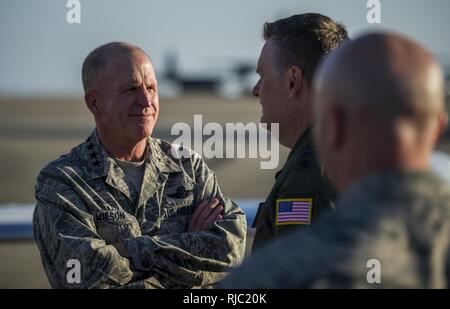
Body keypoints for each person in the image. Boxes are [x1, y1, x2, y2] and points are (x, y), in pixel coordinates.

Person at [220, 32, 450, 288]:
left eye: (262, 76)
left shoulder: (275, 275)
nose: (256, 89)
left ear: (334, 127)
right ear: (438, 128)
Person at [33, 42, 247, 289]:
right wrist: (188, 248)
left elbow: (229, 251)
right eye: (131, 89)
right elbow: (82, 275)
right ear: (94, 103)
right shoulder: (63, 182)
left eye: (152, 88)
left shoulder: (189, 168)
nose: (146, 100)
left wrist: (127, 250)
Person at [251, 13, 348, 251]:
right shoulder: (352, 149)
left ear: (293, 81)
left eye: (262, 77)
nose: (256, 90)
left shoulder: (308, 177)